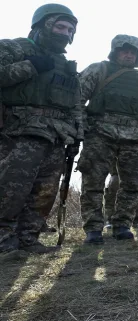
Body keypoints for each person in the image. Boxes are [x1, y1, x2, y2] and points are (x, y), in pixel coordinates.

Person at [0, 3, 83, 253]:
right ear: (42, 25)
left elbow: (75, 102)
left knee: (45, 191)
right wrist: (31, 66)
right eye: (60, 26)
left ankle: (28, 239)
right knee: (11, 187)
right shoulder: (13, 47)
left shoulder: (65, 64)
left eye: (70, 30)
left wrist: (77, 134)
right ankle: (4, 240)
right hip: (19, 132)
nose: (65, 34)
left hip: (57, 136)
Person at [78, 34, 138, 244]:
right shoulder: (98, 69)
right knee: (93, 182)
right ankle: (93, 228)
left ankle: (122, 224)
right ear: (115, 52)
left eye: (133, 52)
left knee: (133, 184)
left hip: (134, 138)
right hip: (100, 135)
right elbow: (77, 98)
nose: (129, 55)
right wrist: (83, 126)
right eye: (124, 50)